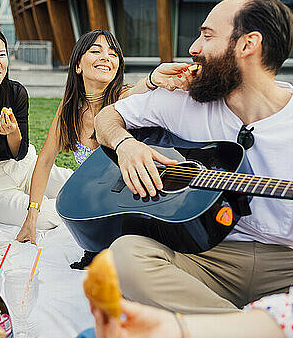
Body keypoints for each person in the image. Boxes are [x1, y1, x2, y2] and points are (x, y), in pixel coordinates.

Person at [86, 41, 293, 338]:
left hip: (282, 261)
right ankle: (255, 327)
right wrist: (125, 144)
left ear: (248, 45)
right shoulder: (182, 99)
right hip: (203, 255)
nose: (194, 47)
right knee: (123, 255)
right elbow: (106, 117)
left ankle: (241, 327)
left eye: (207, 35)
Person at [14, 29, 196, 268]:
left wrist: (152, 80)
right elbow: (46, 159)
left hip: (141, 203)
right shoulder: (68, 108)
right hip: (101, 203)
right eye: (96, 51)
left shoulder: (125, 99)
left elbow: (139, 88)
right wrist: (32, 215)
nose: (106, 57)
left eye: (113, 53)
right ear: (78, 65)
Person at [0, 25, 74, 229]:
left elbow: (19, 153)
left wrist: (12, 132)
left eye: (2, 55)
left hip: (26, 167)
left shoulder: (15, 92)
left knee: (78, 184)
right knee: (46, 215)